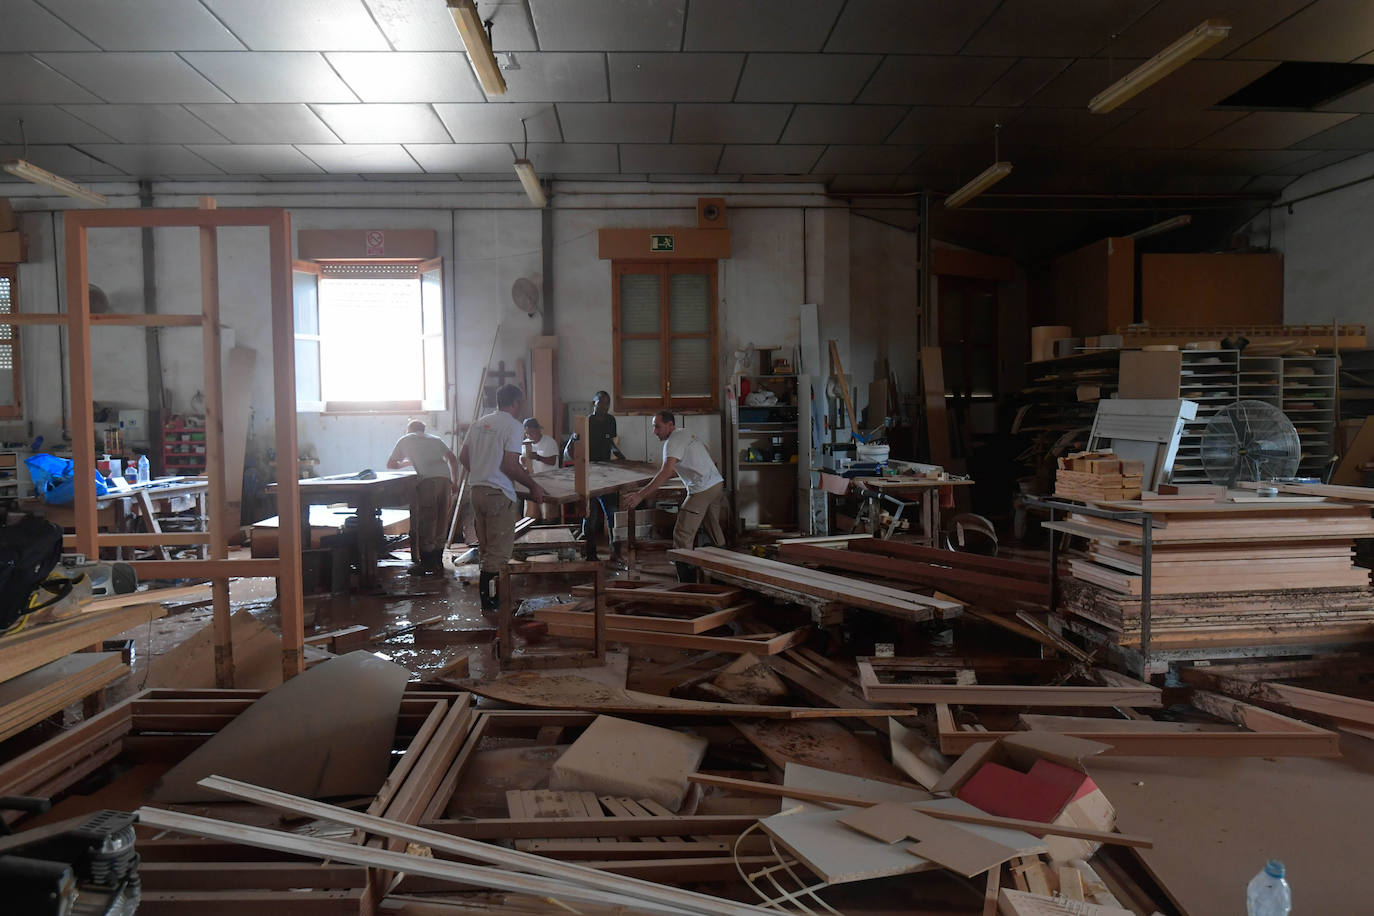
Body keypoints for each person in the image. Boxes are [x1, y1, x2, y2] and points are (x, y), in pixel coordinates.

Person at [459, 385, 546, 612]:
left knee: (487, 550)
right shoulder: (513, 426)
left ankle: (490, 601)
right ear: (515, 402)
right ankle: (492, 605)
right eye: (522, 403)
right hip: (498, 494)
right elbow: (510, 465)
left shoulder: (479, 423)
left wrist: (482, 472)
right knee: (497, 554)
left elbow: (463, 456)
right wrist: (533, 486)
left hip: (476, 491)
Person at [624, 410, 726, 582]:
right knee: (713, 528)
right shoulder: (685, 432)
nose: (654, 431)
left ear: (670, 425)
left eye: (658, 426)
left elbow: (666, 471)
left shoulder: (671, 443)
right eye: (653, 427)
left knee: (682, 535)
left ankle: (687, 584)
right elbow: (706, 451)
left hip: (702, 489)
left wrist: (641, 495)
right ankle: (725, 572)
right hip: (716, 484)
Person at [386, 419, 458, 576]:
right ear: (423, 429)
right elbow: (452, 459)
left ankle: (426, 563)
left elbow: (391, 465)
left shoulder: (406, 439)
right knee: (441, 519)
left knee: (427, 520)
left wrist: (407, 462)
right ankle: (438, 561)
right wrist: (455, 481)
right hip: (445, 479)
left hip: (428, 482)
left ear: (409, 429)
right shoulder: (435, 439)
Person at [562, 390, 625, 561]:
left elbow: (611, 442)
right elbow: (569, 451)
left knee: (612, 515)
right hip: (588, 474)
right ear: (594, 403)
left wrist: (620, 456)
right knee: (589, 515)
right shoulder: (585, 422)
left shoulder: (611, 420)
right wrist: (574, 440)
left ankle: (615, 553)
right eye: (600, 403)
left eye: (607, 403)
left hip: (607, 473)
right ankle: (591, 554)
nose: (604, 406)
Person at [522, 417, 560, 521]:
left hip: (548, 483)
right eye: (527, 433)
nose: (530, 435)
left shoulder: (549, 442)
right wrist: (523, 463)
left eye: (532, 432)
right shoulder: (526, 444)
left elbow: (552, 461)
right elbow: (525, 464)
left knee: (548, 516)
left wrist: (538, 457)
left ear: (539, 430)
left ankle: (550, 534)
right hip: (532, 483)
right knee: (531, 516)